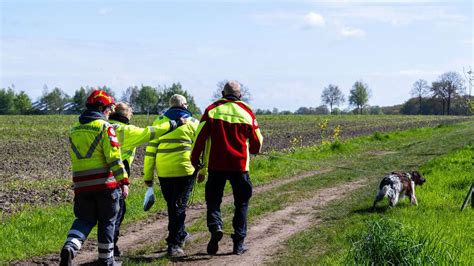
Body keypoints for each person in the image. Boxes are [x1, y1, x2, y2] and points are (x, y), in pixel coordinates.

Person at [190, 81, 263, 255]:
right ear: (240, 95)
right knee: (241, 204)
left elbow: (199, 138)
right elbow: (257, 142)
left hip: (216, 166)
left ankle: (215, 226)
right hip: (240, 167)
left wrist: (195, 161)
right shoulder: (247, 112)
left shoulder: (212, 110)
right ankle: (238, 244)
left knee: (214, 200)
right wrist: (254, 150)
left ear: (223, 93)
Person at [60, 90, 129, 266]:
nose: (109, 113)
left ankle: (70, 247)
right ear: (100, 107)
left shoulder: (74, 130)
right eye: (108, 109)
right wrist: (124, 182)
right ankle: (107, 261)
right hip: (105, 185)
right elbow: (114, 157)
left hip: (82, 185)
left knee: (84, 219)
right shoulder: (105, 128)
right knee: (107, 221)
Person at [108, 102, 185, 257]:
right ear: (126, 114)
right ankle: (110, 251)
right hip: (115, 178)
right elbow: (153, 132)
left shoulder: (103, 126)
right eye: (130, 113)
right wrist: (176, 123)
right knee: (116, 214)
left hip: (95, 176)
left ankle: (76, 244)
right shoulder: (127, 130)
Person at [143, 94, 199, 257]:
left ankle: (181, 234)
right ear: (184, 105)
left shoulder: (159, 122)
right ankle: (173, 243)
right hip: (185, 170)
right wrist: (202, 170)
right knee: (178, 206)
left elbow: (151, 150)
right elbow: (199, 149)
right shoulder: (194, 123)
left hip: (164, 171)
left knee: (173, 204)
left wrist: (148, 176)